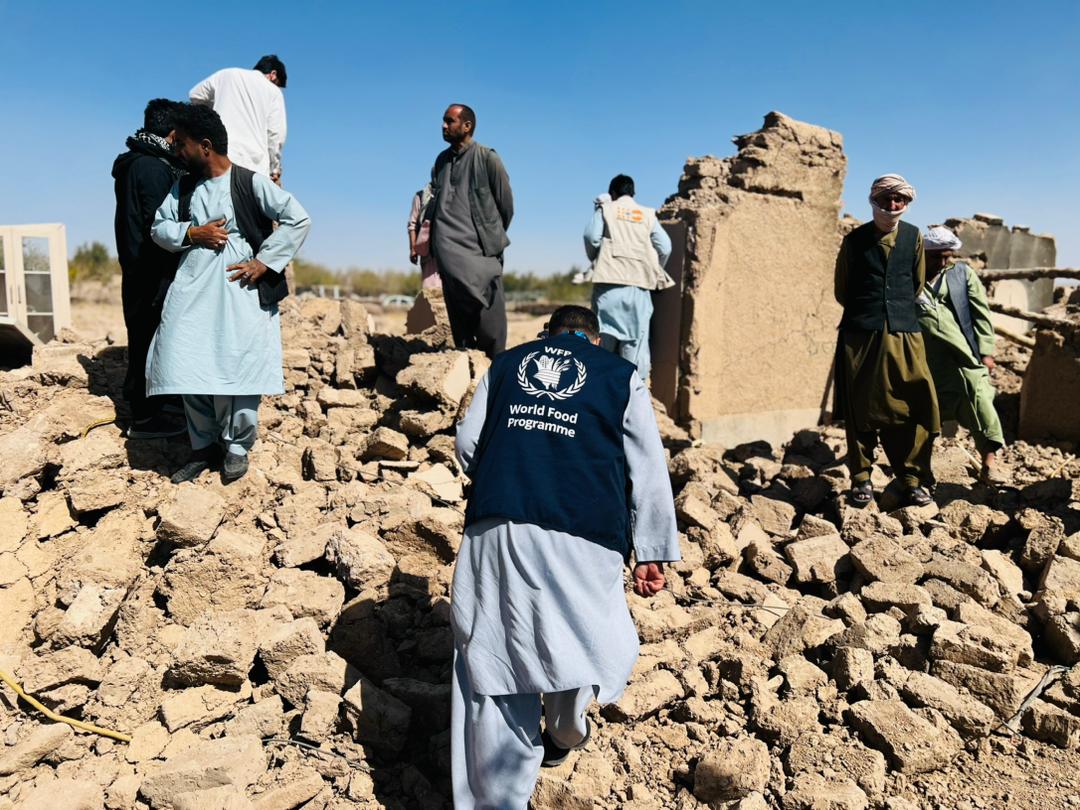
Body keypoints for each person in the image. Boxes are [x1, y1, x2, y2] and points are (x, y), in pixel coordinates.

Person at [451, 305, 680, 808]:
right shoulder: (622, 376)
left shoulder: (507, 365)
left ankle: (496, 797)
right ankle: (564, 731)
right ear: (594, 341)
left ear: (546, 335)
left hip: (498, 524)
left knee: (493, 653)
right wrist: (653, 550)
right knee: (573, 636)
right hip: (585, 532)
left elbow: (467, 445)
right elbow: (647, 465)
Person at [148, 104, 310, 483]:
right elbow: (159, 227)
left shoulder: (250, 182)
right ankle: (202, 447)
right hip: (193, 287)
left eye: (182, 145)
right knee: (188, 361)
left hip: (241, 291)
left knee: (238, 367)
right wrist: (192, 233)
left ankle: (236, 447)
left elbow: (298, 218)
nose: (176, 152)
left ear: (205, 146)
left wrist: (265, 262)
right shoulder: (183, 187)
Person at [833, 174, 940, 508]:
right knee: (861, 405)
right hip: (862, 335)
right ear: (873, 201)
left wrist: (895, 308)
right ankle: (861, 478)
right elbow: (842, 289)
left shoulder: (913, 237)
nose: (892, 206)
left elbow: (917, 282)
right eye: (885, 200)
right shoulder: (855, 241)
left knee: (912, 401)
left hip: (905, 334)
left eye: (899, 200)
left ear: (906, 203)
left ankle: (910, 477)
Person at [112, 98, 188, 440]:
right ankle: (146, 418)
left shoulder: (133, 163)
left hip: (134, 265)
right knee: (150, 340)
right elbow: (159, 225)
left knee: (141, 335)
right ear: (173, 134)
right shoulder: (155, 169)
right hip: (151, 268)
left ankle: (147, 404)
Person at [918, 226, 1007, 484]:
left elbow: (981, 315)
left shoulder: (962, 274)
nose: (943, 262)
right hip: (928, 359)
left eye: (948, 256)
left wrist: (986, 352)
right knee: (927, 413)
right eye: (937, 256)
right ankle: (920, 471)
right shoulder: (913, 277)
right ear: (924, 253)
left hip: (963, 355)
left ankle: (989, 463)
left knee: (979, 400)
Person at [430, 104, 513, 357]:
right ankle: (466, 359)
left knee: (489, 306)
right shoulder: (441, 161)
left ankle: (493, 363)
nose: (444, 126)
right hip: (446, 248)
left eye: (450, 121)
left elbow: (505, 205)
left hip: (480, 249)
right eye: (443, 121)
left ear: (467, 126)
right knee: (457, 306)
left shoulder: (487, 158)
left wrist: (490, 235)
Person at [582, 174, 674, 380]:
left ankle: (601, 396)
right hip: (638, 290)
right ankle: (632, 397)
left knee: (602, 346)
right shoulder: (647, 214)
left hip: (608, 288)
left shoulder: (606, 208)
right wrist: (653, 270)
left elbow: (591, 237)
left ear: (613, 193)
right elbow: (665, 246)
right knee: (635, 348)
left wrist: (596, 258)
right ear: (633, 193)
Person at [189, 55, 287, 181]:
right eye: (278, 84)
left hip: (218, 159)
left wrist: (216, 109)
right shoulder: (274, 92)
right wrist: (275, 169)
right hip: (253, 167)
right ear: (273, 74)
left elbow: (195, 95)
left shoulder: (227, 74)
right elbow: (275, 135)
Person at [407, 184, 441, 289]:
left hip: (450, 254)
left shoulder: (453, 193)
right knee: (431, 292)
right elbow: (412, 225)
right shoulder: (421, 196)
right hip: (428, 253)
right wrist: (413, 249)